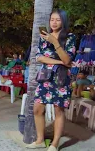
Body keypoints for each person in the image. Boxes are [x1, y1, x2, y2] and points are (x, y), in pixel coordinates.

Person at [26, 9, 76, 151]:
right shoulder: (44, 37)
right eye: (52, 19)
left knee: (58, 110)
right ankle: (40, 140)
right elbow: (39, 57)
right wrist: (60, 62)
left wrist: (55, 42)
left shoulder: (70, 37)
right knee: (37, 109)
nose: (54, 22)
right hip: (45, 77)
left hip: (61, 78)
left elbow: (68, 58)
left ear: (63, 21)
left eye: (58, 20)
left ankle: (54, 144)